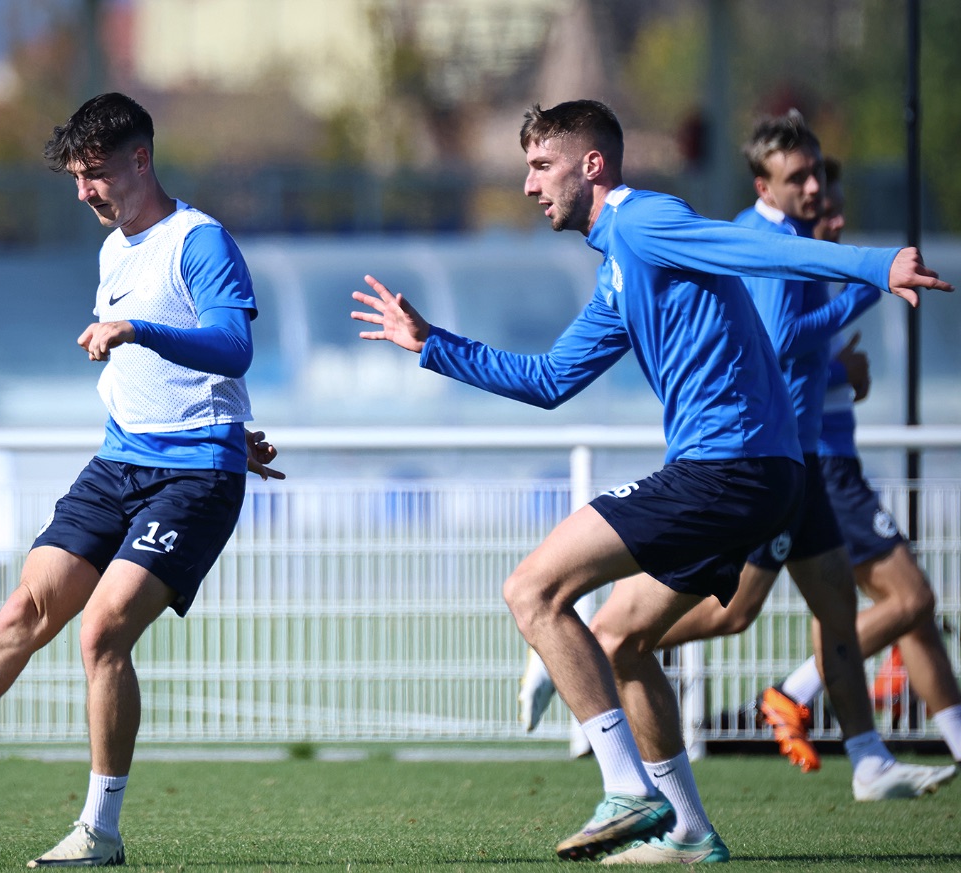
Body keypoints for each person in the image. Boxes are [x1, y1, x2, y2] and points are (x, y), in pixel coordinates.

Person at [351, 98, 951, 864]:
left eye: (541, 166)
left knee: (531, 589)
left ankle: (627, 788)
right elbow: (550, 379)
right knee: (622, 641)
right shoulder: (618, 267)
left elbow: (754, 250)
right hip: (750, 473)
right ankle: (689, 830)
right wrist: (433, 343)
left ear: (591, 164)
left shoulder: (643, 221)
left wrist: (876, 266)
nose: (530, 186)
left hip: (729, 467)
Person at [0, 92, 283, 869]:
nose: (83, 192)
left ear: (141, 159)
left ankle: (100, 830)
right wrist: (219, 414)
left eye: (94, 174)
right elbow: (164, 380)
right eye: (74, 176)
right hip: (118, 461)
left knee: (101, 631)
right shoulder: (112, 252)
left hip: (194, 476)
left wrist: (141, 334)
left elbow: (232, 345)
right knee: (26, 606)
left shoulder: (199, 241)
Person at [653, 112, 956, 800]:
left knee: (839, 605)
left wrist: (837, 362)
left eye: (818, 171)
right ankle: (610, 638)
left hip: (801, 457)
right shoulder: (766, 240)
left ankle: (868, 758)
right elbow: (782, 337)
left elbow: (788, 345)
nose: (816, 187)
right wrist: (866, 290)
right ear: (764, 185)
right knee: (734, 611)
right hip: (768, 458)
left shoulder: (785, 234)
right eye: (800, 177)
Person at [756, 157, 961, 772]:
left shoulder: (815, 280)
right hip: (823, 471)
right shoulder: (789, 269)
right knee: (911, 599)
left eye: (839, 207)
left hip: (833, 466)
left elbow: (806, 366)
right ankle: (793, 691)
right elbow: (776, 356)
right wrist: (859, 313)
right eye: (826, 210)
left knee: (912, 616)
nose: (838, 219)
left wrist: (841, 375)